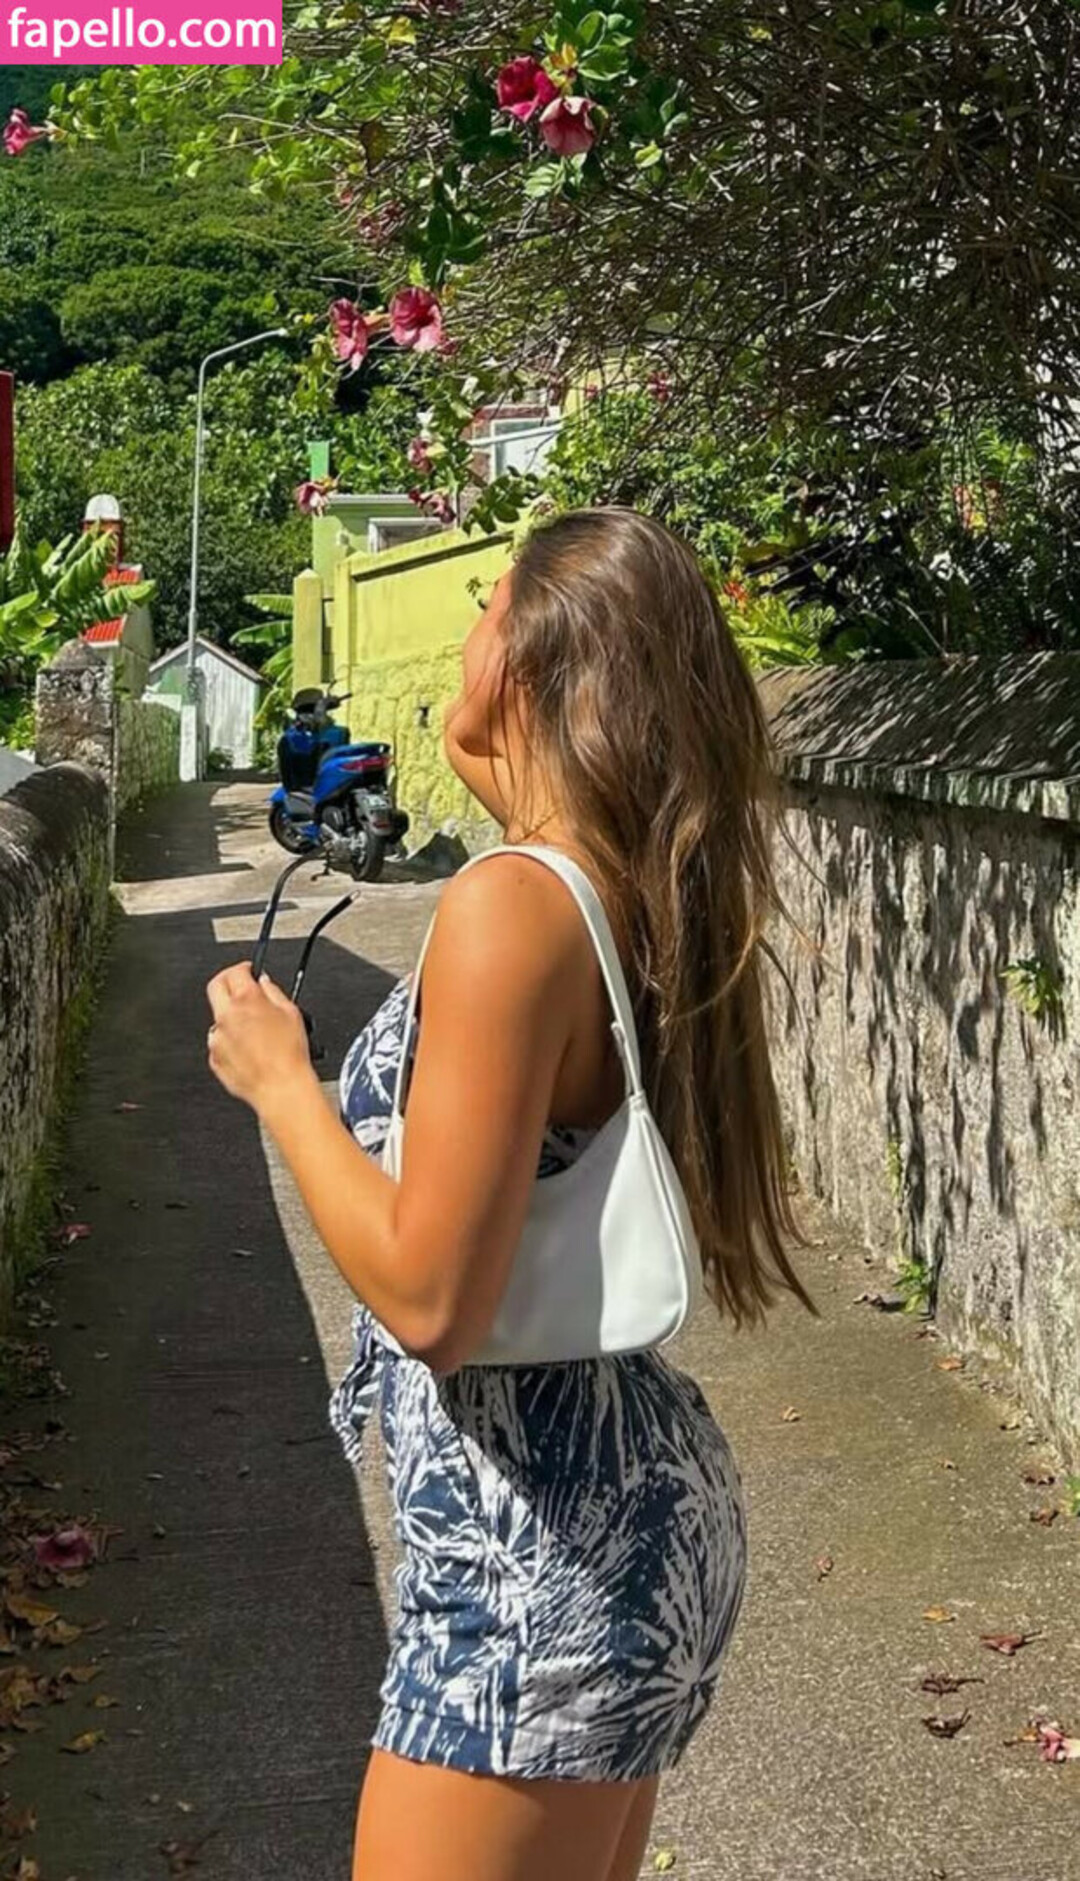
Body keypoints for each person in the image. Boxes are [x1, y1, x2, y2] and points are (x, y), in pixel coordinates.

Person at [206, 506, 818, 1881]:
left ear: (533, 662)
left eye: (487, 610)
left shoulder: (508, 909)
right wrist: (482, 737)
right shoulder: (619, 888)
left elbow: (433, 1299)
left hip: (532, 1562)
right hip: (618, 1515)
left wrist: (284, 1085)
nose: (464, 638)